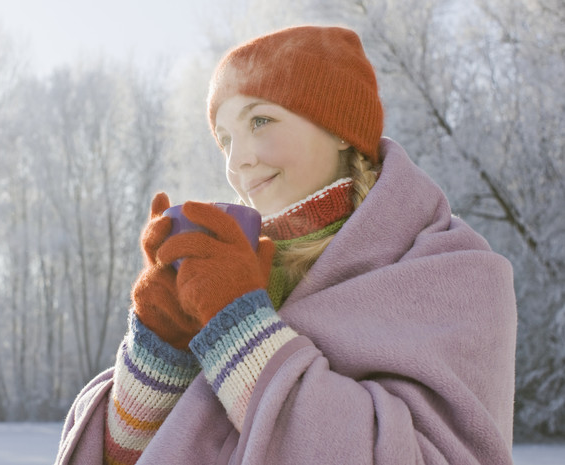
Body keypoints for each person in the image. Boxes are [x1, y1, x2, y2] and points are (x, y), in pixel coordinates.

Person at [54, 25, 516, 465]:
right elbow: (123, 457)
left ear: (339, 129)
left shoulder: (455, 273)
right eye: (225, 139)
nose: (238, 162)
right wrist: (158, 353)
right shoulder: (234, 269)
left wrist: (240, 329)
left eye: (260, 120)